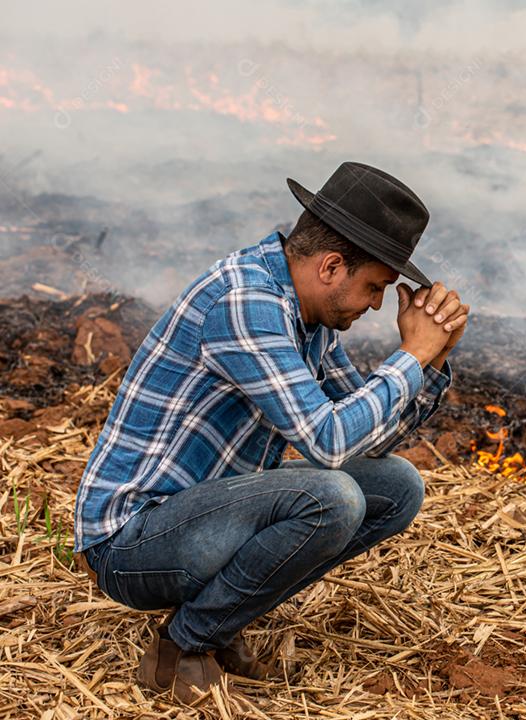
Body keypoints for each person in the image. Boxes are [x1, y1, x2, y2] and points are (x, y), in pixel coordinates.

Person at [72, 162, 469, 703]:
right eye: (375, 287)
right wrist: (410, 353)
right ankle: (181, 646)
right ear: (331, 266)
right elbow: (327, 442)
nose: (377, 304)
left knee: (396, 485)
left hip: (198, 512)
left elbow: (365, 442)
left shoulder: (308, 316)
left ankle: (215, 624)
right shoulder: (248, 304)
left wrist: (430, 360)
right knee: (331, 497)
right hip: (132, 542)